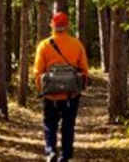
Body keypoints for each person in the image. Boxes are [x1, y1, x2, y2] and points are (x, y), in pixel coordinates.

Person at [34, 11, 88, 162]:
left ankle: (50, 151)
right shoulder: (76, 44)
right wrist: (79, 88)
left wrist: (42, 90)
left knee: (50, 124)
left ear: (52, 25)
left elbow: (37, 72)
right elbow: (84, 70)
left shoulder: (44, 45)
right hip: (71, 95)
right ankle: (65, 155)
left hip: (50, 95)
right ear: (67, 26)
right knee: (68, 125)